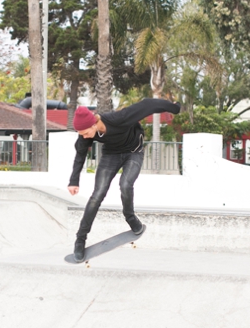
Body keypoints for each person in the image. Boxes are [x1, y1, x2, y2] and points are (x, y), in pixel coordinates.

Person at [68, 98, 181, 262]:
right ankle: (80, 240)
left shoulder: (119, 118)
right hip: (111, 156)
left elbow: (148, 105)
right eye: (81, 135)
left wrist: (174, 108)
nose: (84, 137)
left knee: (126, 185)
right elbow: (80, 156)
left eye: (85, 133)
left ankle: (131, 218)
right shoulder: (84, 136)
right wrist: (74, 181)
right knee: (97, 195)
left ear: (93, 124)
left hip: (133, 152)